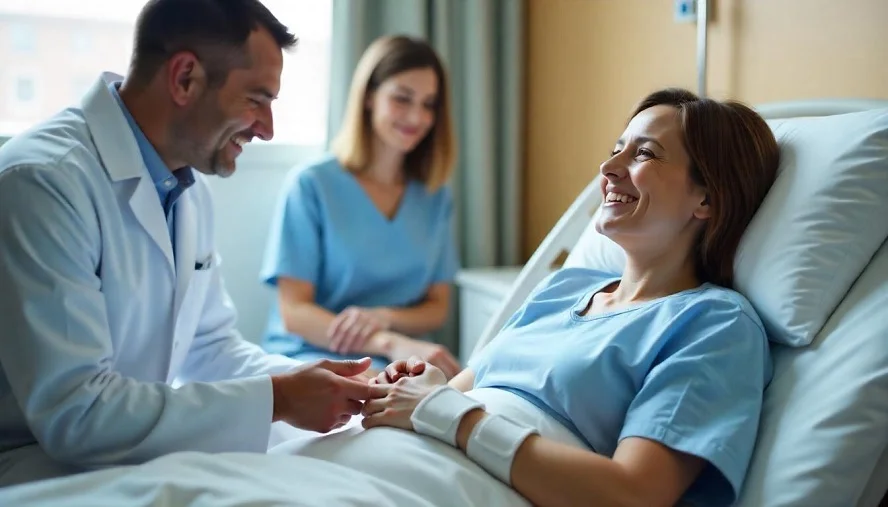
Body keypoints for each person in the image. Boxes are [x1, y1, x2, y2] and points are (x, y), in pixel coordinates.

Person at [0, 0, 383, 488]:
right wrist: (281, 399)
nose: (267, 128)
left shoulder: (185, 188)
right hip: (32, 465)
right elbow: (77, 412)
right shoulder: (43, 183)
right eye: (256, 99)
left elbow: (211, 349)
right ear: (185, 78)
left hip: (121, 453)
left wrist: (337, 386)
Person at [356, 88, 781, 507]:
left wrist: (441, 409)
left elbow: (633, 495)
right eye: (617, 149)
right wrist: (408, 393)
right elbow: (453, 397)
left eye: (644, 154)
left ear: (707, 197)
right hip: (392, 466)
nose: (609, 167)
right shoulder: (564, 287)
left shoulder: (715, 324)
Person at [259, 35, 461, 379]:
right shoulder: (311, 185)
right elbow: (294, 311)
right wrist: (387, 343)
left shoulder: (434, 196)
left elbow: (437, 307)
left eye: (429, 104)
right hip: (311, 356)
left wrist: (384, 318)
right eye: (402, 98)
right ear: (369, 96)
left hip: (400, 360)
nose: (417, 116)